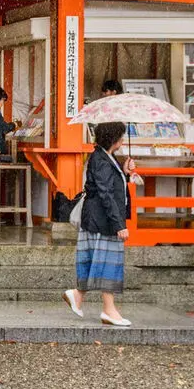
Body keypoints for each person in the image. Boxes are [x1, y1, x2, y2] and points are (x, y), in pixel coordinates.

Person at [64, 120, 135, 327]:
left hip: (99, 219)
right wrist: (119, 224)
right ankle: (108, 309)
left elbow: (111, 186)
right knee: (108, 263)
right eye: (120, 135)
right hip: (103, 220)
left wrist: (124, 171)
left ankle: (78, 295)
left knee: (99, 261)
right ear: (113, 138)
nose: (123, 139)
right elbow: (106, 194)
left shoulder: (105, 157)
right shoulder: (102, 160)